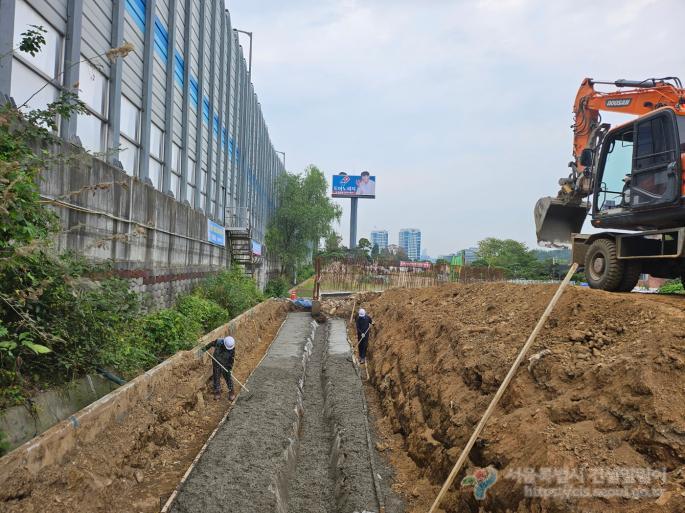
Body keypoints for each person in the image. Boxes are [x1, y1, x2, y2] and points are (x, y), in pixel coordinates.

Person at [203, 336, 236, 401]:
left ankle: (231, 391)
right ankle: (217, 392)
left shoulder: (232, 348)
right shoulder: (219, 342)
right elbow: (211, 343)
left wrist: (230, 368)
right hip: (216, 362)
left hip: (226, 363)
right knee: (216, 376)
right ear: (224, 343)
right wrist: (205, 348)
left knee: (228, 377)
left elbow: (231, 359)